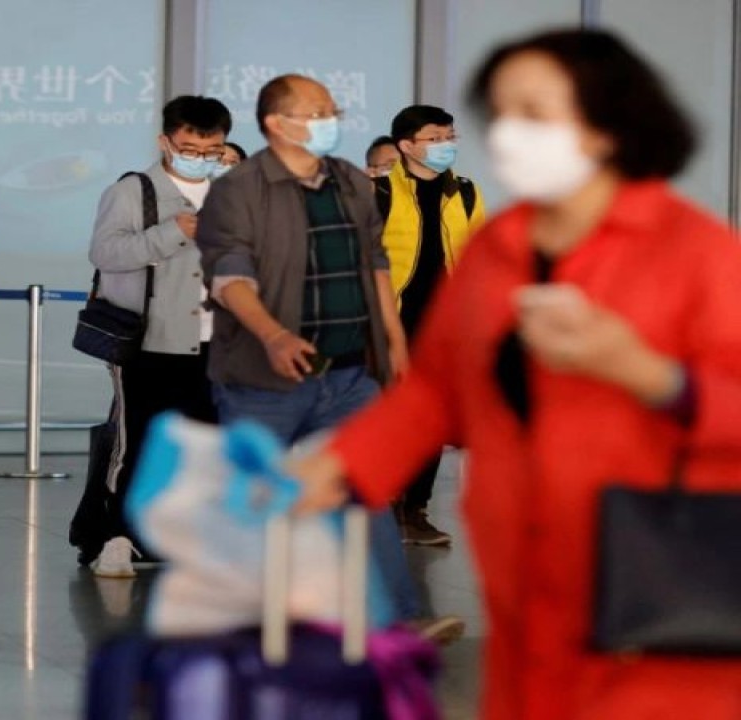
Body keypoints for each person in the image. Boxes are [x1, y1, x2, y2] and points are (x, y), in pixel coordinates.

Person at [292, 29, 741, 719]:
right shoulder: (499, 248)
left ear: (611, 123)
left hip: (654, 589)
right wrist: (341, 467)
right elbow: (438, 389)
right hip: (523, 584)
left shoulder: (698, 252)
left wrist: (647, 374)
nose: (509, 133)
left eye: (536, 112)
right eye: (501, 113)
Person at [196, 74, 464, 640]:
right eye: (315, 112)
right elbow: (229, 274)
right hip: (263, 377)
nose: (329, 121)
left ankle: (397, 621)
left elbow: (375, 261)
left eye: (332, 111)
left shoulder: (348, 180)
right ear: (276, 124)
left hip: (347, 374)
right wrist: (273, 335)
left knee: (364, 491)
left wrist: (394, 340)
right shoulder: (238, 189)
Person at [74, 95, 232, 578]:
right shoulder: (134, 191)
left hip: (217, 343)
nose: (200, 158)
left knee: (208, 448)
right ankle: (116, 538)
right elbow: (105, 252)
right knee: (136, 443)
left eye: (212, 149)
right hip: (148, 342)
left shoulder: (232, 193)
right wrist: (173, 232)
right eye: (189, 148)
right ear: (166, 141)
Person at [379, 105, 485, 546]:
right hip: (391, 321)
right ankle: (383, 505)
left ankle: (414, 510)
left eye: (449, 137)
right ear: (406, 145)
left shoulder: (465, 192)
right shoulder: (379, 191)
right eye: (434, 138)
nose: (446, 146)